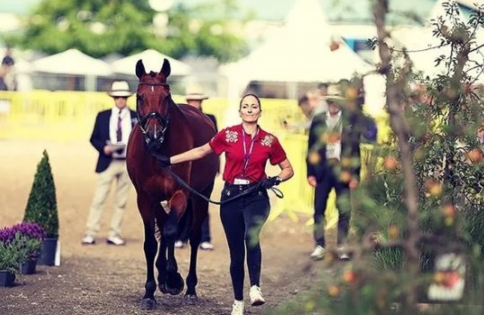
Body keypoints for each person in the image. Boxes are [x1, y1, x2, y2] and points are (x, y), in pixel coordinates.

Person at [154, 93, 294, 315]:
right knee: (236, 252)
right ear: (240, 111)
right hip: (231, 197)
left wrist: (275, 179)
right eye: (245, 106)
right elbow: (201, 151)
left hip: (256, 196)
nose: (249, 109)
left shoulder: (270, 140)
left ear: (259, 111)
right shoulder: (227, 135)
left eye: (254, 106)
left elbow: (288, 169)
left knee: (252, 236)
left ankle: (255, 288)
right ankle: (238, 301)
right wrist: (169, 160)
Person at [307, 87, 362, 261]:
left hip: (343, 171)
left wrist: (355, 175)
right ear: (328, 102)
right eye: (331, 101)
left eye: (337, 101)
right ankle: (319, 245)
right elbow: (311, 148)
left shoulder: (349, 122)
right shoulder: (318, 120)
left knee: (344, 209)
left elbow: (355, 149)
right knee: (318, 209)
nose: (333, 105)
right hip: (323, 171)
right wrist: (310, 173)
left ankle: (342, 245)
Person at [82, 81, 139, 246]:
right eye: (118, 97)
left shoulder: (136, 117)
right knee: (99, 199)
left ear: (127, 98)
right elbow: (93, 138)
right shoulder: (103, 116)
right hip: (108, 161)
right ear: (113, 98)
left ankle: (114, 233)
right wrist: (104, 148)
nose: (120, 100)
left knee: (121, 201)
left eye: (123, 97)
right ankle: (90, 232)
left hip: (127, 163)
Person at [174, 87, 219, 251]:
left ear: (201, 102)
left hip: (204, 165)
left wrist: (216, 165)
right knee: (183, 200)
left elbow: (217, 143)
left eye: (197, 101)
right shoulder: (181, 119)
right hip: (186, 165)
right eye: (192, 101)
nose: (195, 103)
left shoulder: (210, 118)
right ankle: (181, 236)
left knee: (202, 201)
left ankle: (204, 237)